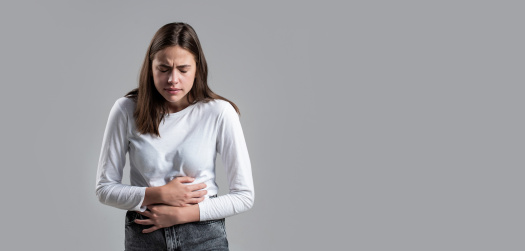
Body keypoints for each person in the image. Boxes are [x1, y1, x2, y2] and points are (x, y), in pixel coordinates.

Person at [95, 22, 254, 250]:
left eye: (183, 69)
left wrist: (180, 215)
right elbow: (104, 189)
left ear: (197, 68)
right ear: (150, 67)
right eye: (163, 68)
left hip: (203, 237)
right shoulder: (126, 110)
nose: (173, 79)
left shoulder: (219, 112)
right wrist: (161, 194)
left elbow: (244, 196)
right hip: (145, 235)